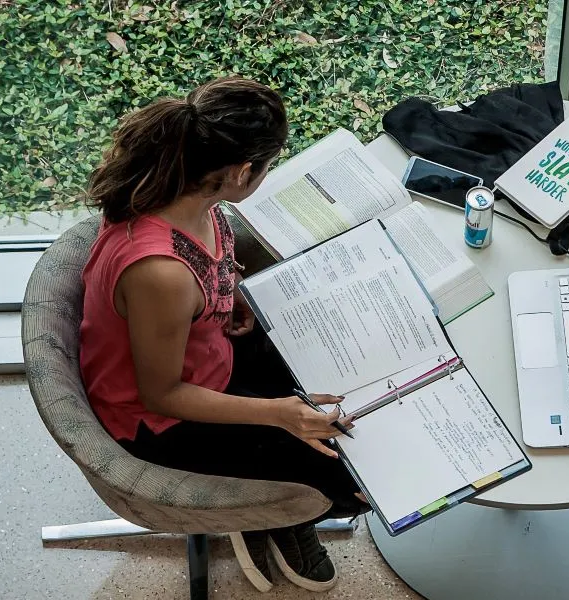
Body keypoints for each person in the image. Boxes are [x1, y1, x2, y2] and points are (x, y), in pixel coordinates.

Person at [79, 76, 369, 593]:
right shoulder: (159, 273)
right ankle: (278, 517)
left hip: (206, 358)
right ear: (240, 171)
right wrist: (278, 413)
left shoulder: (186, 192)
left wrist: (225, 293)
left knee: (339, 379)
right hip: (161, 420)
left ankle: (270, 509)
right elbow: (161, 394)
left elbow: (209, 261)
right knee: (339, 466)